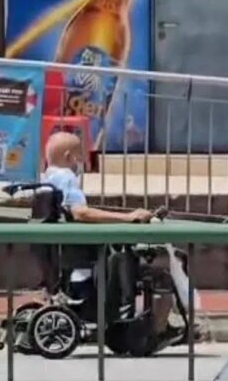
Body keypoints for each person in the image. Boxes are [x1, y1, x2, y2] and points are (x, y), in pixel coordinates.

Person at [40, 130, 176, 338]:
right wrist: (128, 217)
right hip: (86, 260)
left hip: (65, 261)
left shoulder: (46, 181)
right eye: (80, 155)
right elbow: (80, 212)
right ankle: (158, 330)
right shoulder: (66, 179)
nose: (82, 162)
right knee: (160, 276)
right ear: (69, 157)